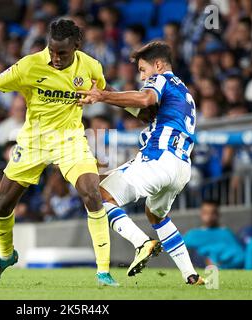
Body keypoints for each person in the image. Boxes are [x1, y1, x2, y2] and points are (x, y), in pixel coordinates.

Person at [0, 19, 117, 286]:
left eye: (62, 53)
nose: (55, 57)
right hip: (33, 142)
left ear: (77, 45)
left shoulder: (90, 66)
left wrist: (115, 101)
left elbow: (103, 90)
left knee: (92, 192)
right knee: (2, 205)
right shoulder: (30, 65)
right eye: (51, 51)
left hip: (70, 140)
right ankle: (6, 256)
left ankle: (103, 271)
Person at [79, 41, 204, 285]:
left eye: (143, 69)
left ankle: (142, 243)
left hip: (158, 159)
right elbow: (147, 112)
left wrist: (102, 95)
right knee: (155, 214)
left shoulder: (161, 80)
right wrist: (110, 97)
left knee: (98, 195)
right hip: (181, 167)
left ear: (158, 65)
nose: (142, 76)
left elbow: (146, 99)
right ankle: (191, 275)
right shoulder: (185, 92)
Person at [183, 200, 245, 269]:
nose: (209, 216)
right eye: (205, 213)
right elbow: (180, 254)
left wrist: (220, 265)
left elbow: (240, 257)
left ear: (218, 214)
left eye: (212, 213)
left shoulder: (226, 233)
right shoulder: (192, 235)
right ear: (201, 214)